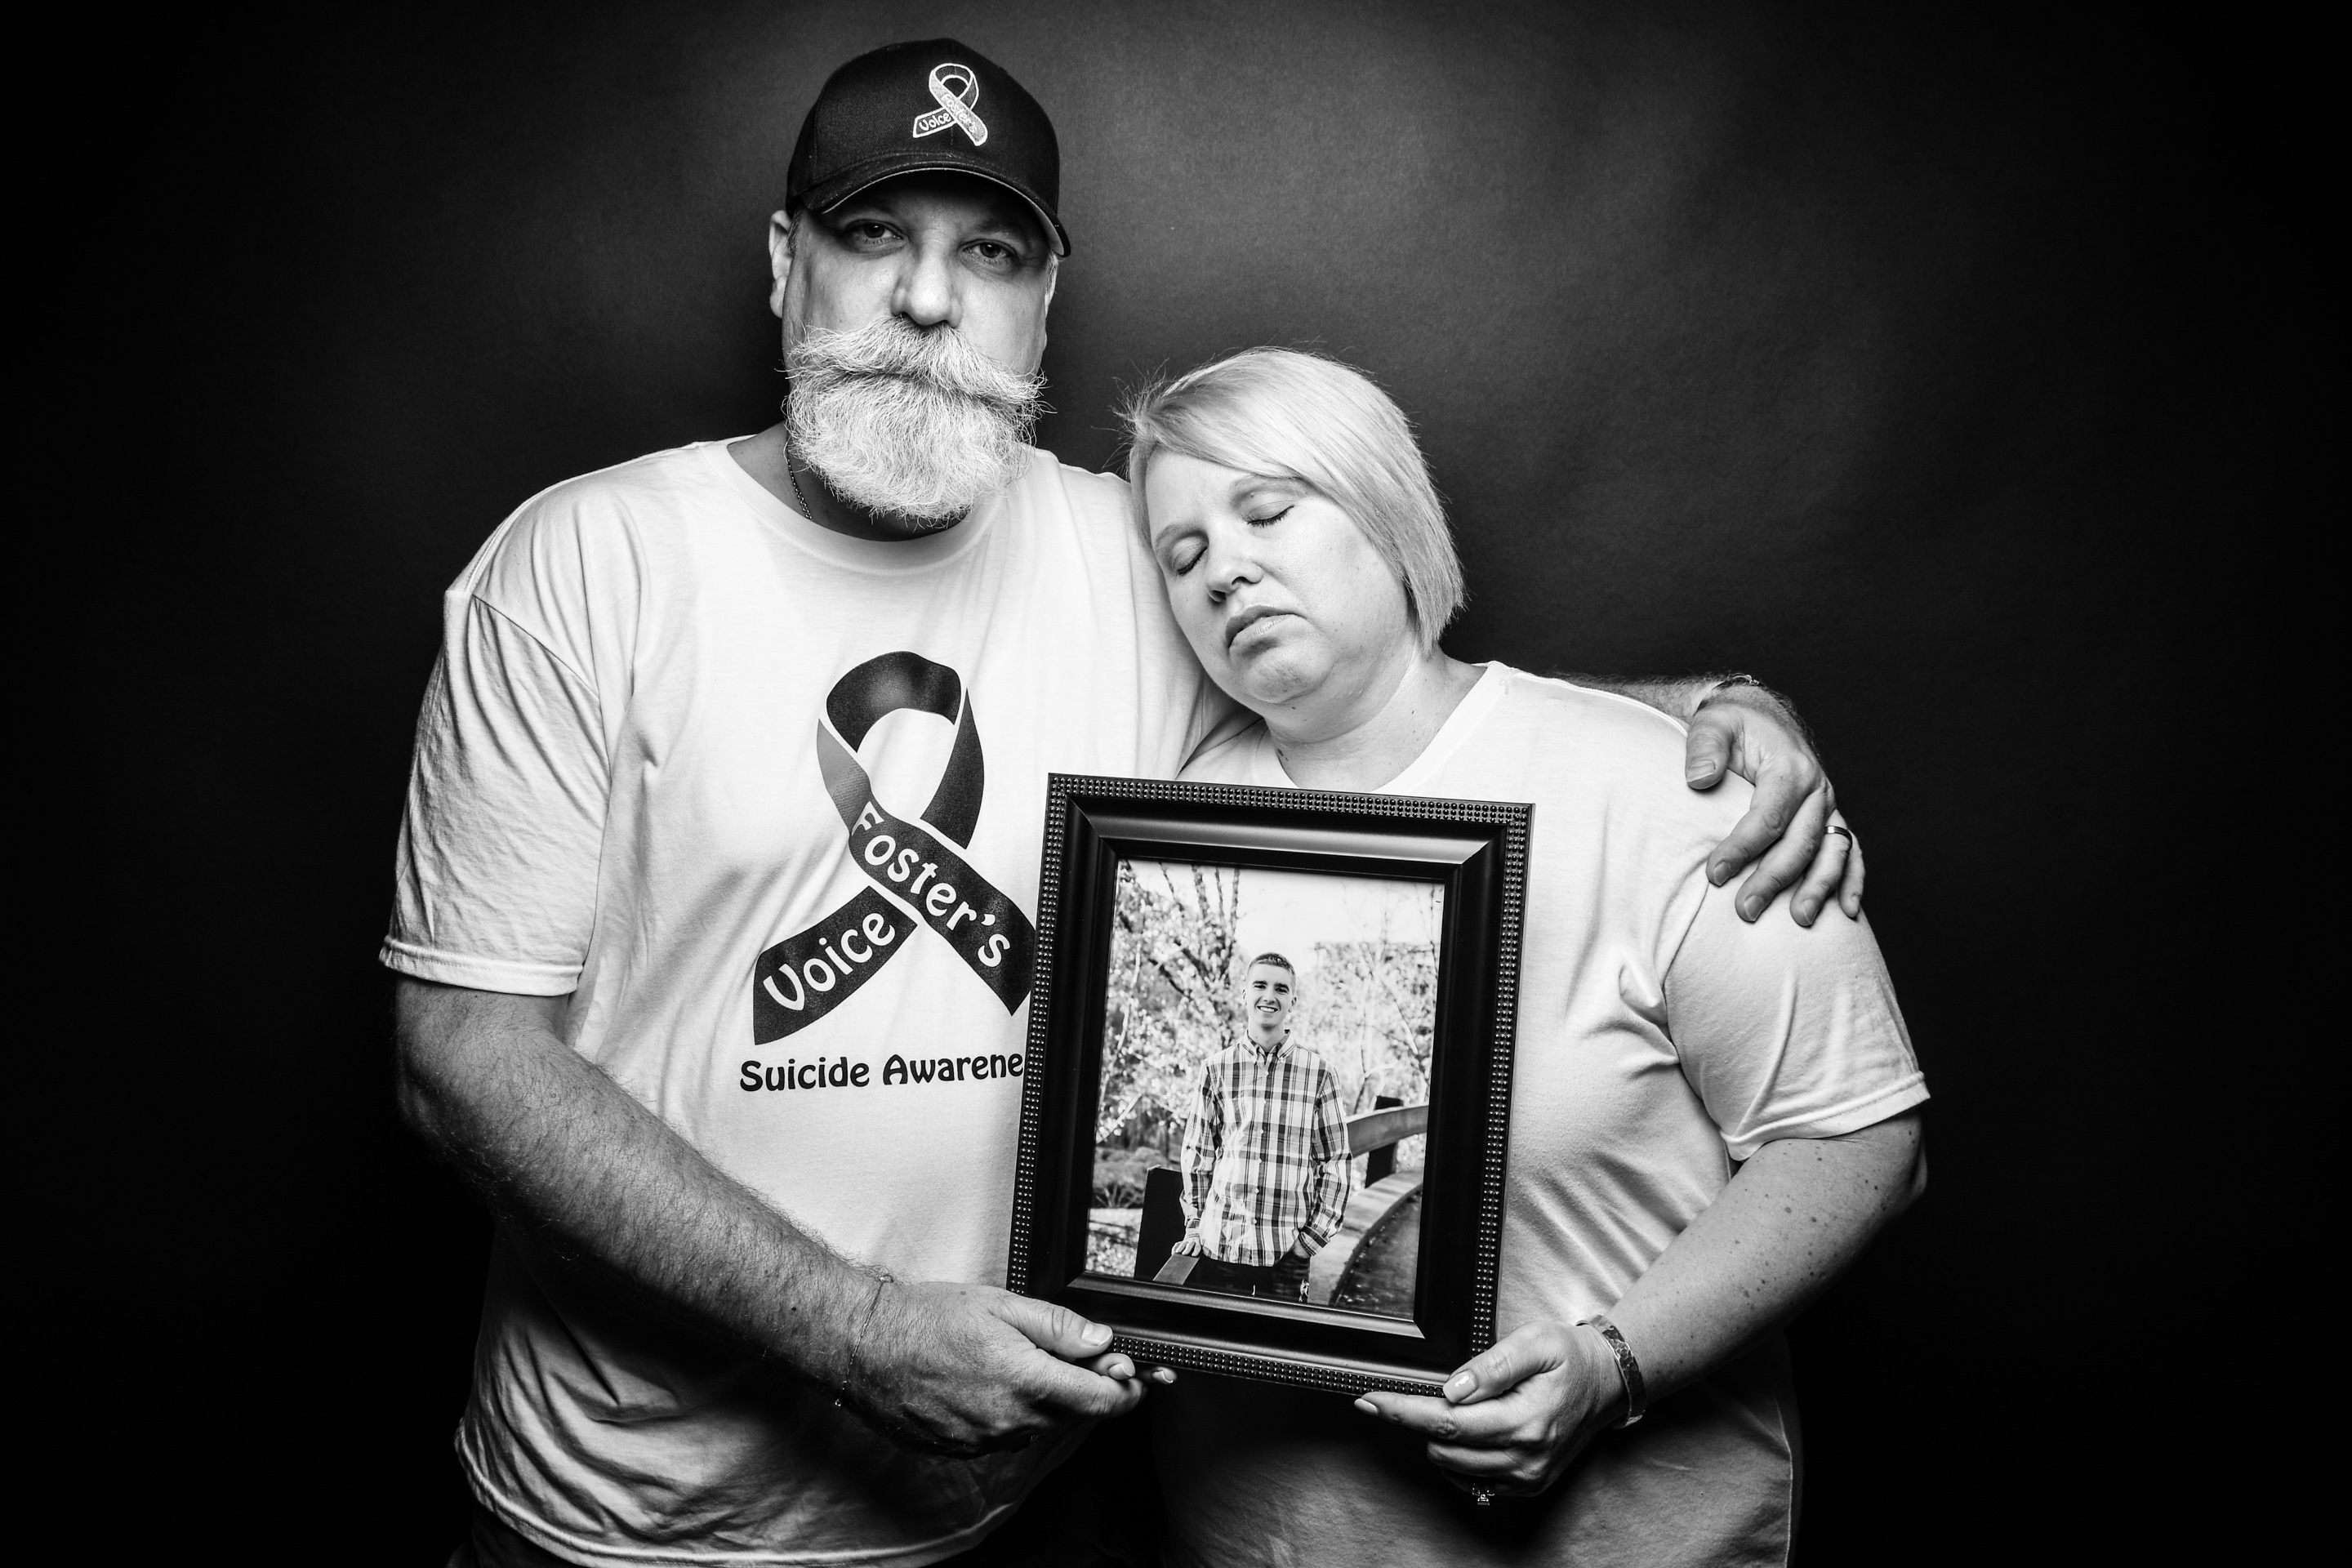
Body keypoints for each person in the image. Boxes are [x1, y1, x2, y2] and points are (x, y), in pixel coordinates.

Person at [388, 39, 1865, 1568]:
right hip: (638, 1516)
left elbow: (1386, 688)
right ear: (783, 263)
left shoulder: (1132, 553)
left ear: (1044, 302)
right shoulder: (585, 563)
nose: (927, 297)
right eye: (875, 234)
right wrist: (854, 1327)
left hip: (1018, 1503)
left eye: (992, 250)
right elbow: (461, 1055)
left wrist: (1697, 713)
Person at [1122, 348, 1927, 1566]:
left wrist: (1614, 1365)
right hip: (1253, 1539)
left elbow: (1862, 1138)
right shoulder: (1158, 833)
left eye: (1268, 511)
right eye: (1182, 557)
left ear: (1385, 509)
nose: (1225, 567)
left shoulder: (1665, 791)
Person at [1170, 954, 1351, 1303]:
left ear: (1292, 1002)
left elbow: (1336, 1160)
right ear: (1244, 994)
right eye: (1260, 985)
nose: (1270, 995)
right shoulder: (1216, 1069)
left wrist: (1309, 1240)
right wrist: (1194, 1225)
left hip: (1287, 1251)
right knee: (1217, 1348)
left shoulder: (1320, 1074)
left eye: (1281, 988)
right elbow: (1198, 1154)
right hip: (1220, 1246)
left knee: (1282, 1351)